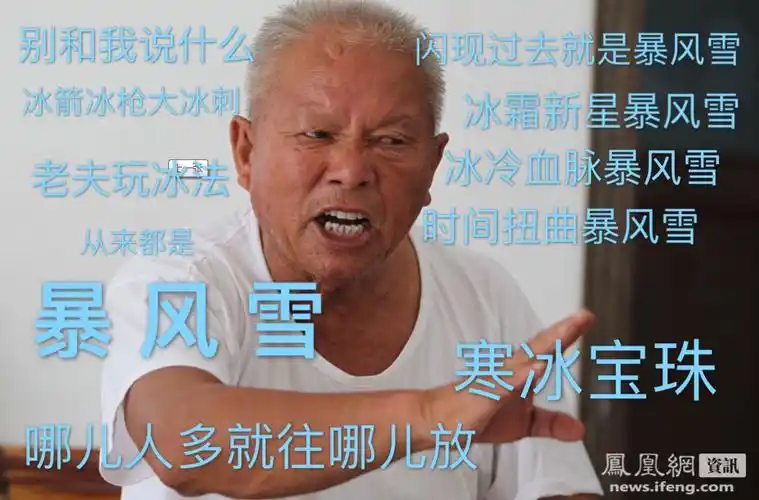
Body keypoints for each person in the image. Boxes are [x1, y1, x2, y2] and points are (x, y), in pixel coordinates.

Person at [99, 0, 605, 498]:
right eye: (317, 134)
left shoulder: (482, 294)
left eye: (392, 141)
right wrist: (431, 415)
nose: (352, 171)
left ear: (433, 165)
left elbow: (558, 487)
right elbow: (185, 443)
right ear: (246, 152)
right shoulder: (182, 281)